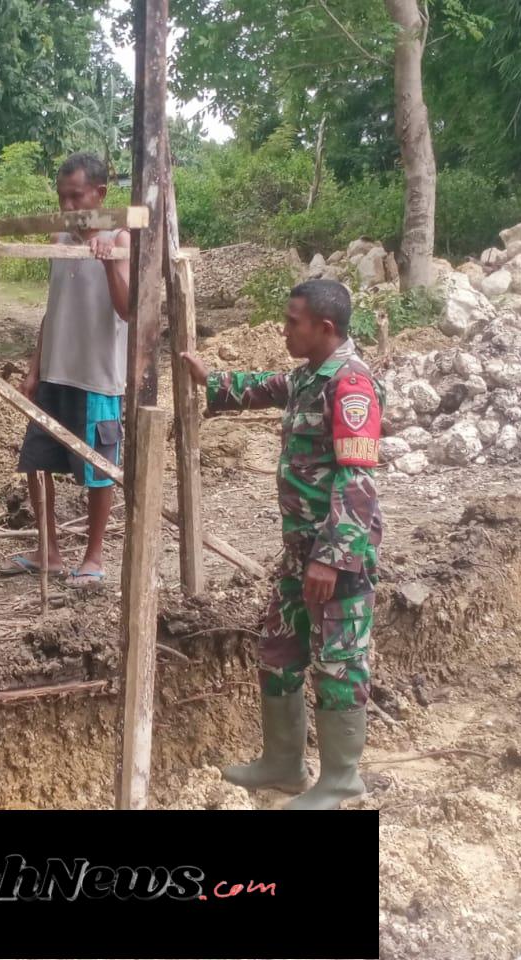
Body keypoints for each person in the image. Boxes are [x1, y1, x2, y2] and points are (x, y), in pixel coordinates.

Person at [180, 279, 383, 810]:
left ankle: (341, 779)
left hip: (335, 557)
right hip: (299, 552)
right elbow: (272, 387)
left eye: (292, 321)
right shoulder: (310, 377)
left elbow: (357, 482)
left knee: (339, 660)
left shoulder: (352, 385)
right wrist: (214, 381)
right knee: (278, 648)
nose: (283, 329)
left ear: (325, 328)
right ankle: (283, 764)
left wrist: (332, 558)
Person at [0, 152, 131, 590]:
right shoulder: (59, 237)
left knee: (98, 468)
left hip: (96, 375)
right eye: (62, 198)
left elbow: (130, 310)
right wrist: (35, 369)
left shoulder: (124, 236)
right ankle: (49, 550)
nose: (69, 207)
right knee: (38, 462)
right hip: (55, 371)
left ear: (101, 193)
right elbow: (51, 311)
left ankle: (93, 557)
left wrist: (110, 258)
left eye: (77, 197)